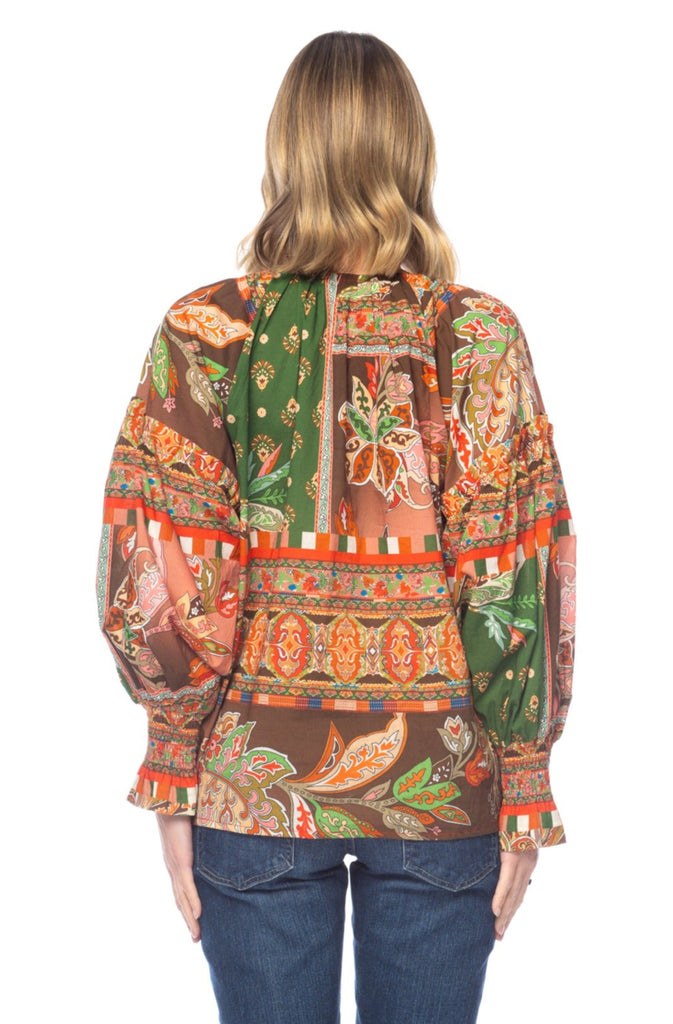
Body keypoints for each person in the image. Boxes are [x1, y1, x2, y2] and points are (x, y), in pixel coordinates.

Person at [98, 30, 576, 1024]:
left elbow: (161, 571)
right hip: (441, 785)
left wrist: (173, 759)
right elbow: (514, 572)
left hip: (252, 783)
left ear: (285, 150)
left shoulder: (208, 334)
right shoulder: (473, 337)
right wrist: (524, 778)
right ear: (413, 150)